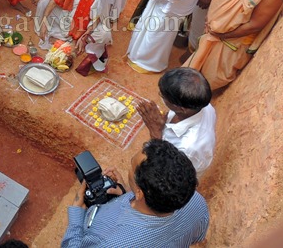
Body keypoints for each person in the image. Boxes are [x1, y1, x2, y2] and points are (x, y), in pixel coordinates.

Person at [61, 139, 209, 247]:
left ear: (140, 193)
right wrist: (127, 193)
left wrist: (76, 217)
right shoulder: (197, 202)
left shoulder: (109, 244)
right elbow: (196, 238)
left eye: (132, 166)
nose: (129, 169)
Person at [137, 67, 216, 176]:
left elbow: (167, 170)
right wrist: (164, 124)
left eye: (163, 97)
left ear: (181, 108)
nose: (160, 97)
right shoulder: (202, 105)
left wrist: (155, 133)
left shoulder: (189, 147)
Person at [36, 0, 111, 73]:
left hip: (86, 25)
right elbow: (53, 1)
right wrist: (43, 22)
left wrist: (84, 36)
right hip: (66, 18)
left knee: (104, 34)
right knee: (43, 3)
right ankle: (69, 39)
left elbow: (97, 19)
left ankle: (76, 40)